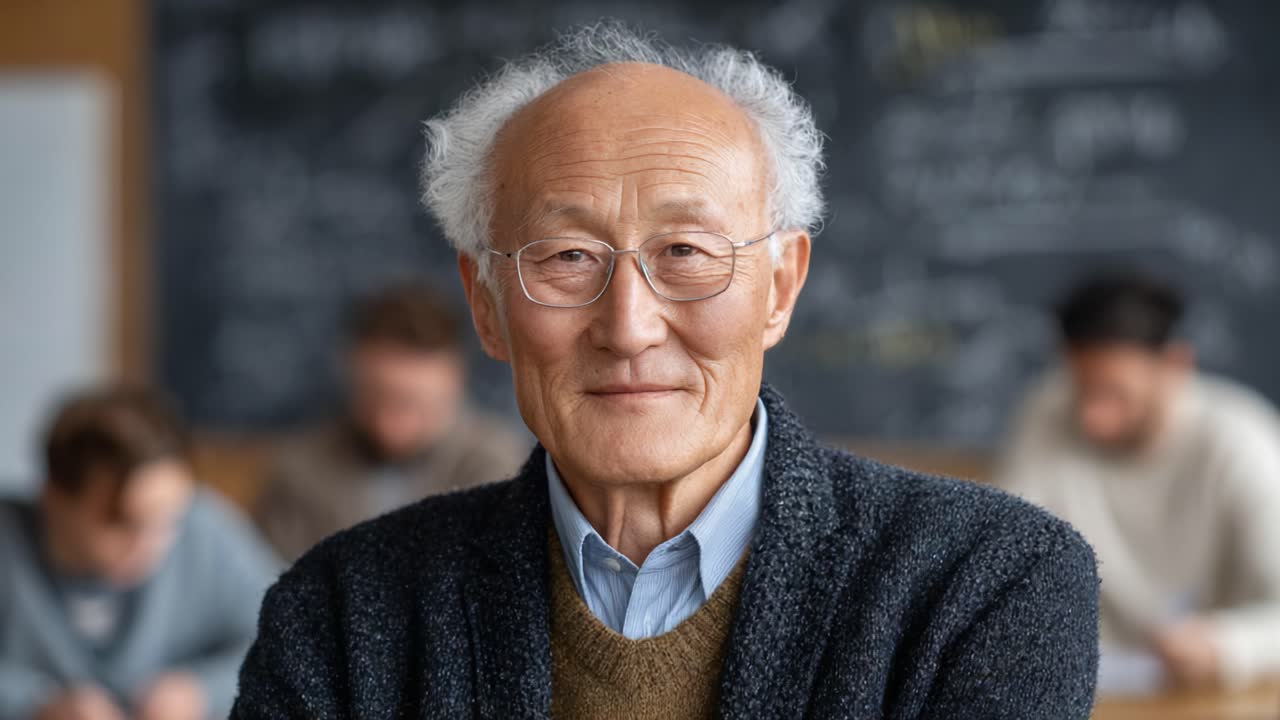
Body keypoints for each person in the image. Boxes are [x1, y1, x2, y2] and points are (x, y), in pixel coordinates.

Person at [233, 24, 1099, 718]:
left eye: (686, 251)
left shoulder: (983, 583)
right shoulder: (344, 610)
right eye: (567, 256)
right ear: (487, 303)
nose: (629, 325)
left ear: (781, 285)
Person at [996, 273, 1280, 690]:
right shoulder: (1047, 412)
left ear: (1175, 366)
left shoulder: (1240, 442)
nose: (1092, 418)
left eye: (1115, 394)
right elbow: (1005, 553)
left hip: (1202, 699)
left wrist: (1226, 645)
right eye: (1081, 389)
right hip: (1085, 688)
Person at [0, 387, 279, 720]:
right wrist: (37, 706)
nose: (151, 544)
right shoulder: (9, 541)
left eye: (168, 519)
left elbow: (296, 634)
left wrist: (201, 690)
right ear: (55, 498)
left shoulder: (204, 529)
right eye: (121, 522)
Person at [253, 282, 528, 561]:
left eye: (412, 405)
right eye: (373, 398)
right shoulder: (300, 469)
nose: (389, 427)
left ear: (454, 385)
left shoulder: (496, 467)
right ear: (350, 379)